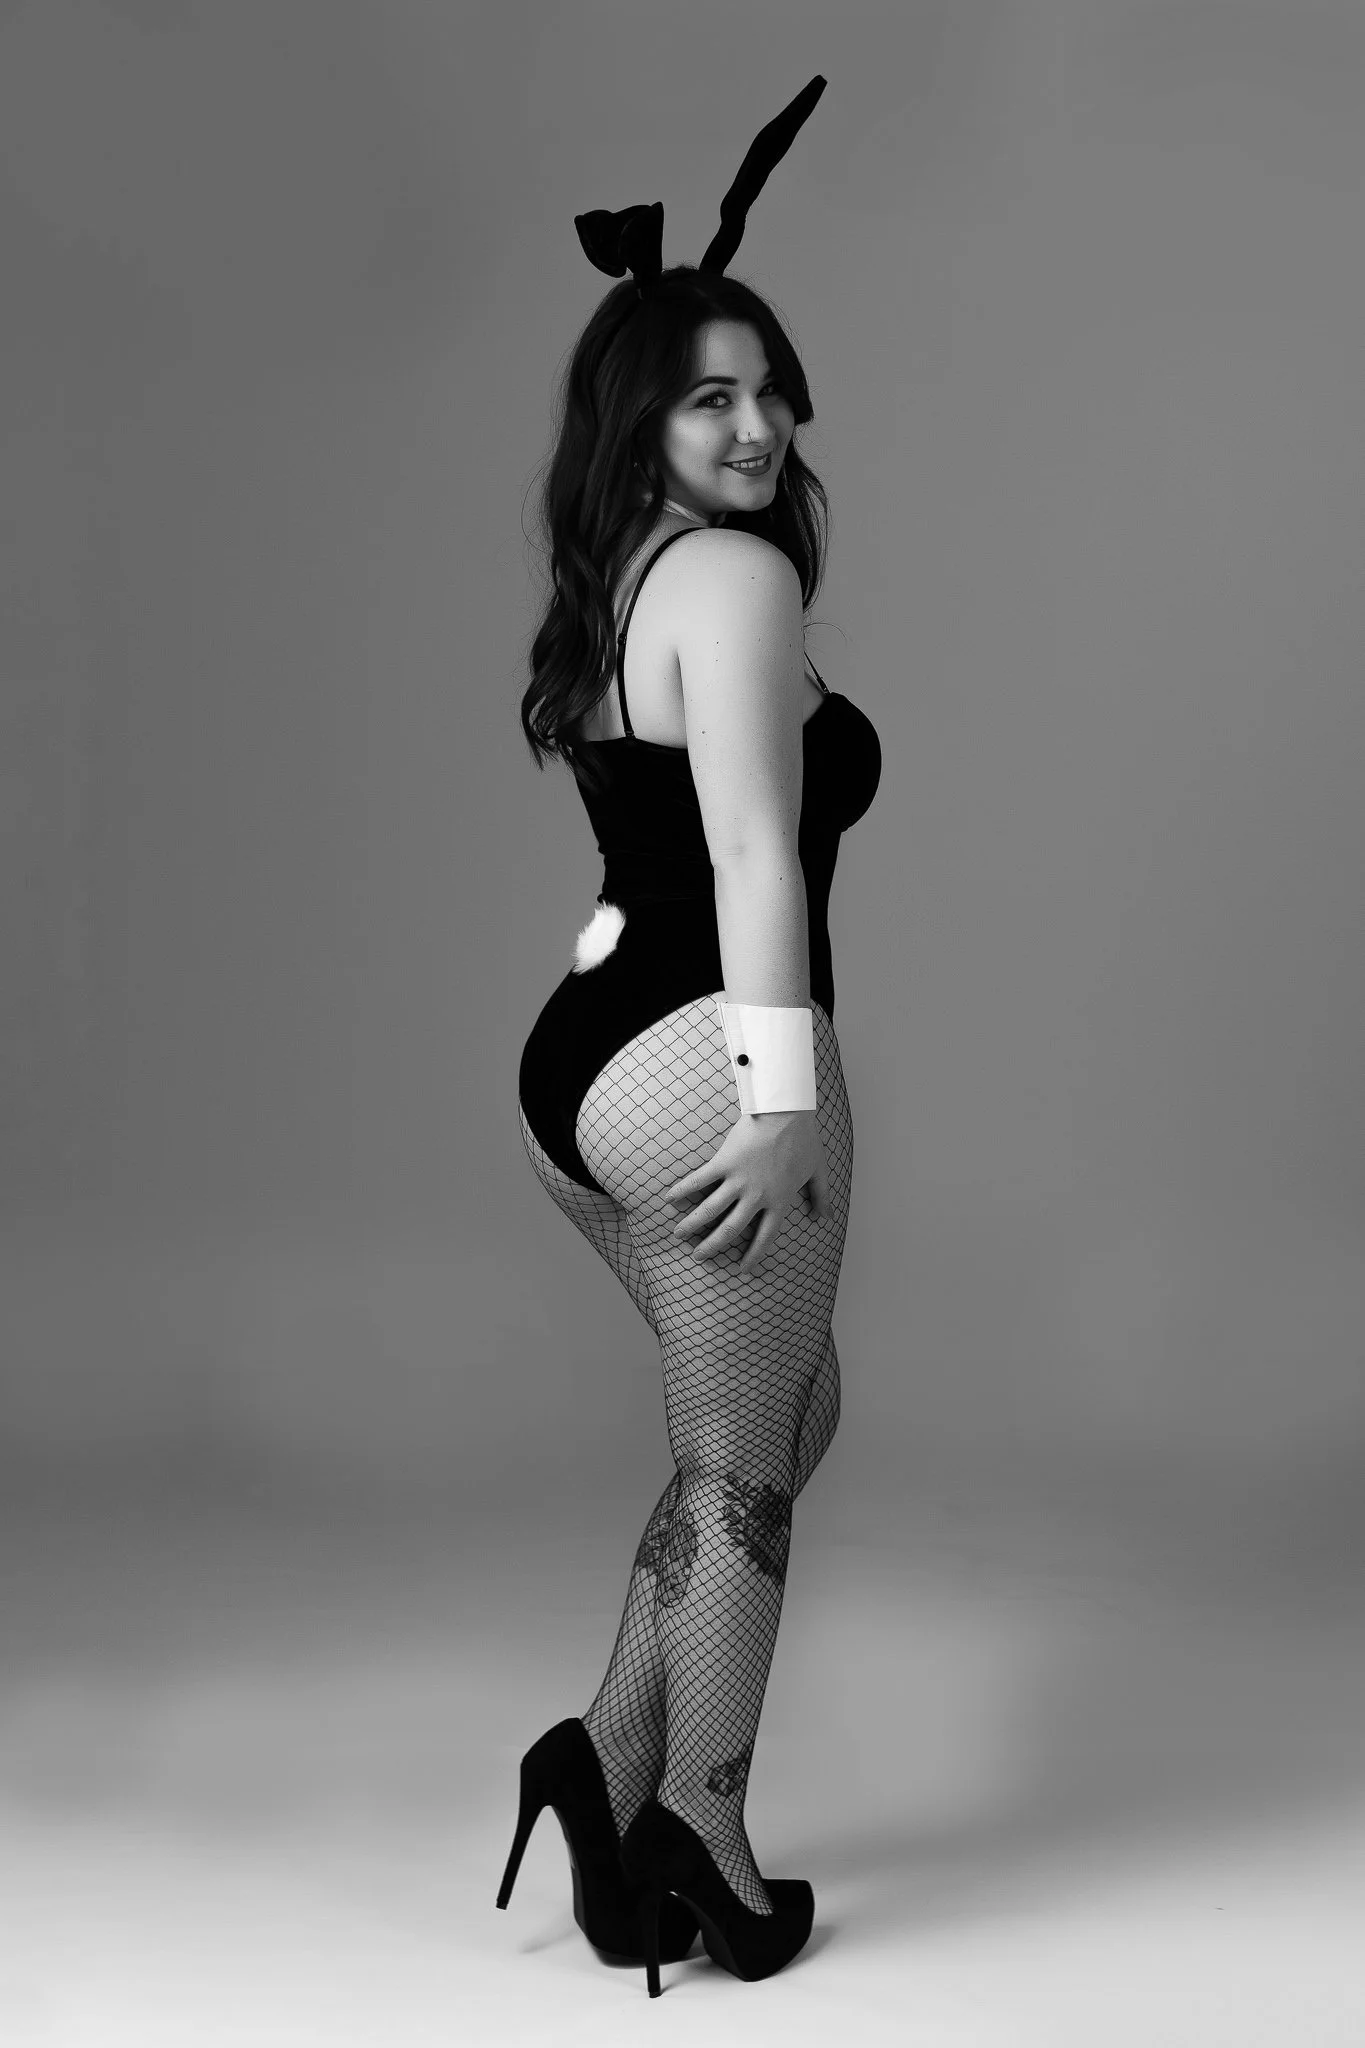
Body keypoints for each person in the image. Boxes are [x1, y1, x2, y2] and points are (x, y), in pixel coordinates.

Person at [495, 77, 882, 1996]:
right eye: (706, 397)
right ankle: (704, 1840)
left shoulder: (628, 576)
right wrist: (782, 1101)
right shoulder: (736, 577)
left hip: (594, 1059)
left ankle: (603, 1759)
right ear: (635, 420)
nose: (755, 426)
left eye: (770, 389)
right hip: (705, 1055)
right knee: (742, 1460)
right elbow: (747, 851)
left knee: (790, 1413)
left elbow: (652, 839)